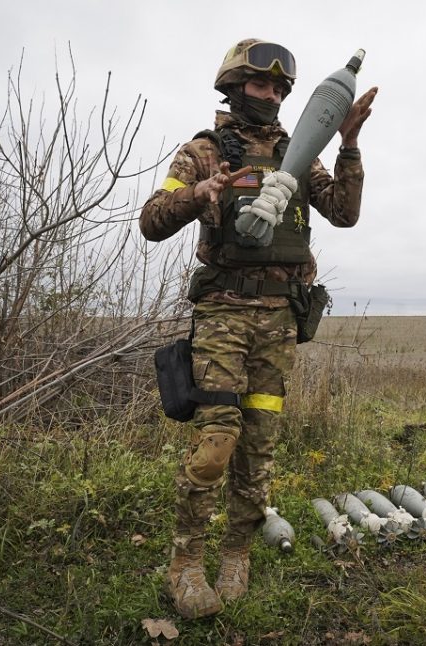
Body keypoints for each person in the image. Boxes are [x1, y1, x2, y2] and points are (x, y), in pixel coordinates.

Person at [139, 39, 377, 618]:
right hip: (223, 314)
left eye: (278, 88)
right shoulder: (203, 150)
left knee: (259, 445)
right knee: (217, 442)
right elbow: (151, 220)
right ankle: (185, 562)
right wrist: (199, 194)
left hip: (278, 321)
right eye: (259, 85)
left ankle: (237, 553)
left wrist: (347, 144)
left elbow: (343, 212)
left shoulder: (302, 151)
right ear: (233, 86)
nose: (269, 95)